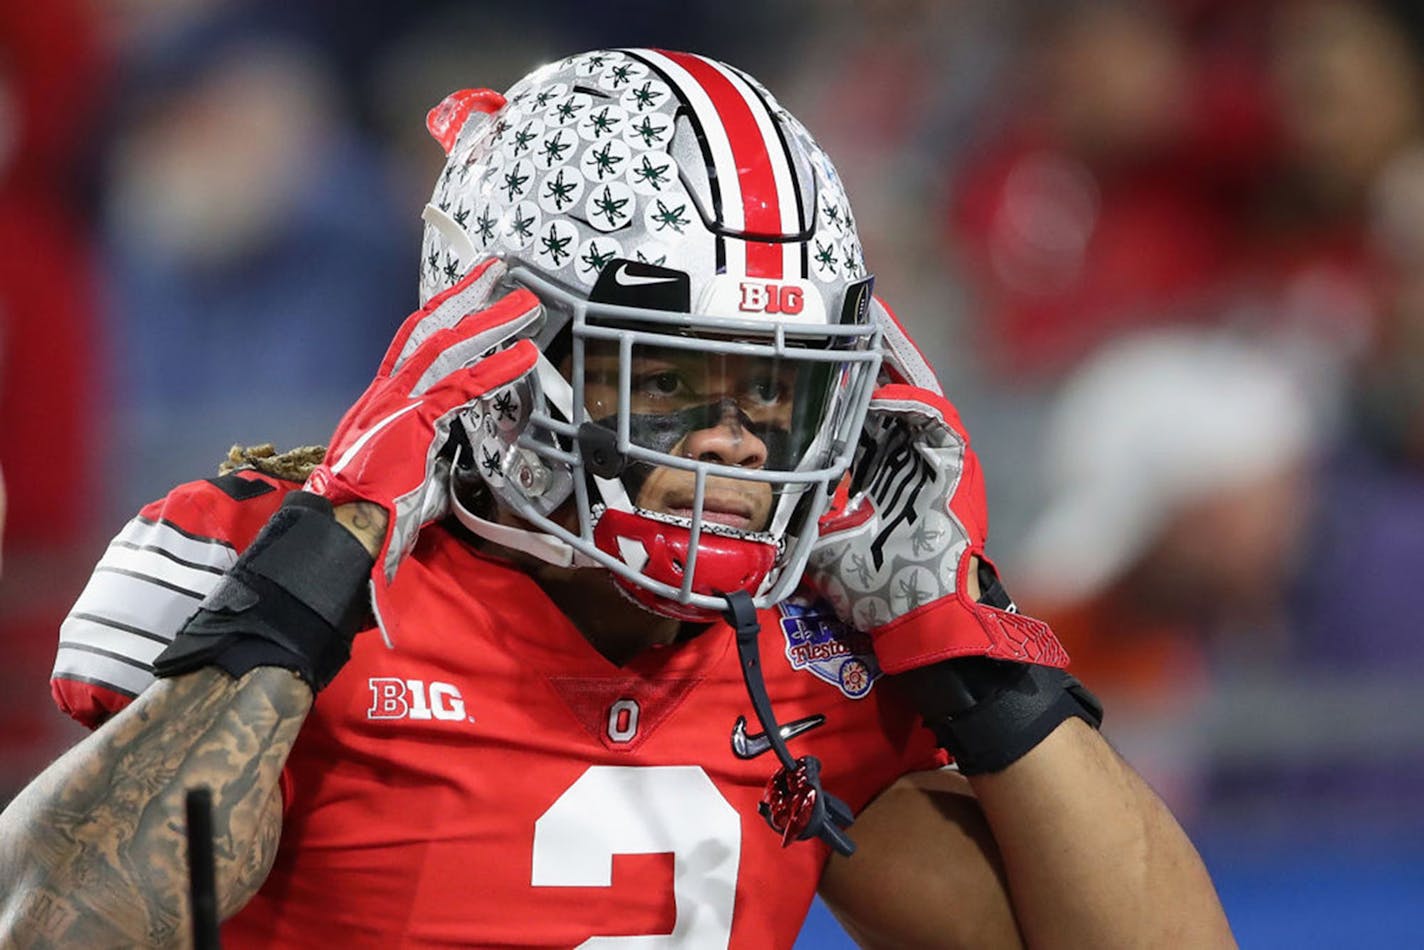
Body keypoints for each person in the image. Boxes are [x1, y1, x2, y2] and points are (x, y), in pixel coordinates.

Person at [0, 50, 1232, 948]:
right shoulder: (261, 557)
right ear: (496, 350)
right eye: (672, 378)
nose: (740, 447)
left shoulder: (796, 650)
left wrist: (968, 635)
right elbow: (58, 928)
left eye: (776, 390)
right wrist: (321, 558)